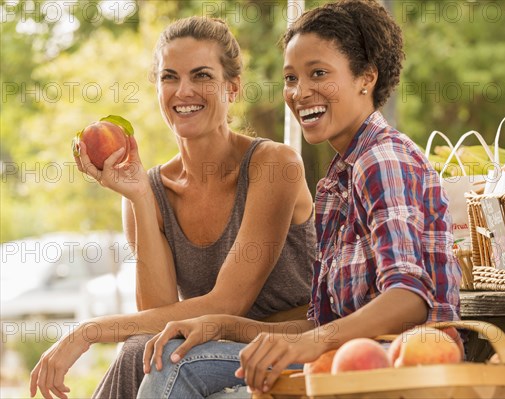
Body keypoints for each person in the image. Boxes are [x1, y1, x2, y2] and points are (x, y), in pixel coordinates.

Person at [137, 0, 462, 397]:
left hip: (398, 370)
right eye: (291, 78)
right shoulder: (336, 182)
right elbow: (320, 326)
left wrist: (311, 343)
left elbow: (409, 298)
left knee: (175, 369)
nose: (301, 92)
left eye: (318, 74)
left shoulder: (382, 158)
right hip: (341, 361)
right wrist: (221, 326)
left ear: (366, 78)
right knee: (170, 354)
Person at [29, 16, 316, 399]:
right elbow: (155, 319)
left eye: (201, 76)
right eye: (169, 77)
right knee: (141, 351)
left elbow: (228, 304)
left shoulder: (274, 165)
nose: (183, 91)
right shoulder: (152, 189)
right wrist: (141, 199)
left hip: (283, 348)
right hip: (202, 350)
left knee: (149, 353)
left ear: (231, 89)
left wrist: (90, 330)